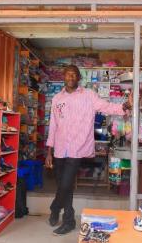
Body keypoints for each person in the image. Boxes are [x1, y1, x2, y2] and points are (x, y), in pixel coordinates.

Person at [45, 65, 132, 235]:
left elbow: (106, 107)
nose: (70, 77)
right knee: (65, 186)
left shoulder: (88, 96)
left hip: (77, 148)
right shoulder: (57, 99)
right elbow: (53, 125)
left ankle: (58, 211)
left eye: (74, 75)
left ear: (78, 78)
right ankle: (64, 216)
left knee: (65, 183)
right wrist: (49, 151)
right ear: (64, 77)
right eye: (68, 74)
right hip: (60, 148)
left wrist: (124, 107)